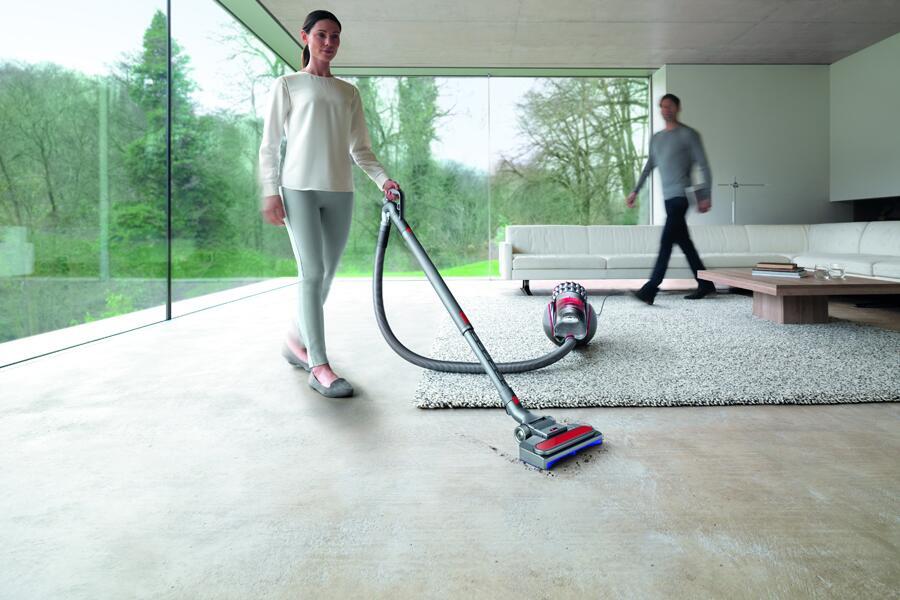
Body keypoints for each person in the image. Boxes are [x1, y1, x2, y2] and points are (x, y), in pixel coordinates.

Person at [258, 10, 400, 398]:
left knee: (327, 274)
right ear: (305, 37)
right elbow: (269, 145)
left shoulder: (348, 93)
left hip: (340, 191)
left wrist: (383, 179)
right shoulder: (287, 85)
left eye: (335, 36)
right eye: (321, 35)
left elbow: (361, 149)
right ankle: (318, 365)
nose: (329, 43)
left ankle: (294, 339)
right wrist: (270, 190)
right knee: (312, 272)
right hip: (298, 189)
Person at [626, 93, 716, 305]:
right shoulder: (657, 138)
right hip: (668, 199)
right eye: (662, 106)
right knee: (684, 242)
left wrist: (706, 196)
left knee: (666, 241)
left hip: (681, 196)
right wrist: (635, 191)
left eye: (669, 106)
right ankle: (705, 282)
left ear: (678, 108)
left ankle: (650, 288)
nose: (665, 110)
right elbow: (649, 167)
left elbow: (704, 166)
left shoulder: (689, 135)